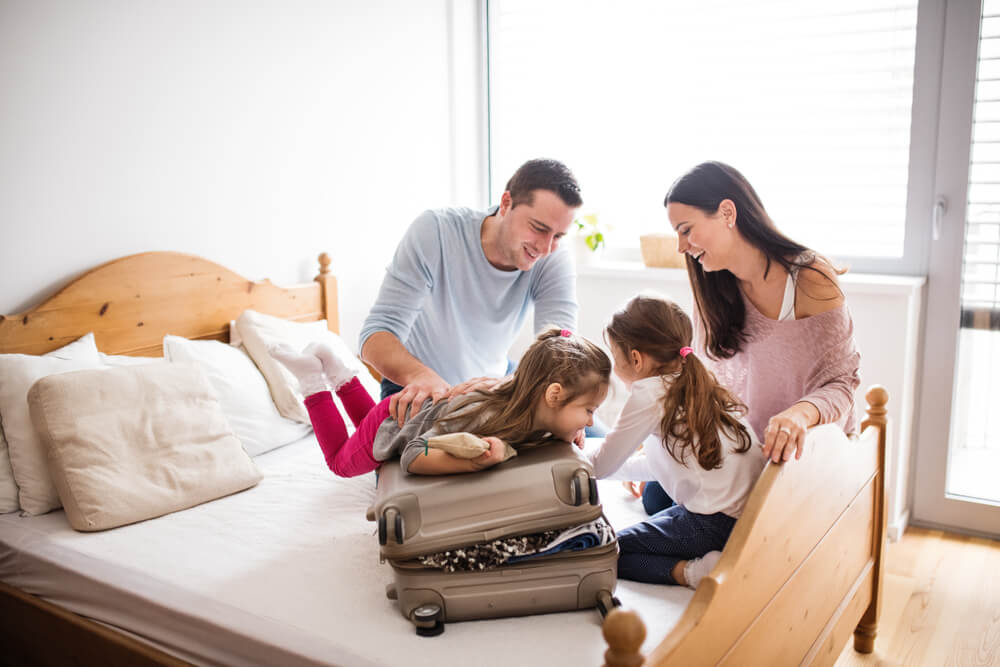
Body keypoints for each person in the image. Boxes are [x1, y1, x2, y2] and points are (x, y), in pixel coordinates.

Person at [638, 160, 861, 514]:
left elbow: (842, 383)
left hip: (797, 451)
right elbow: (699, 378)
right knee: (654, 494)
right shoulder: (712, 285)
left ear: (727, 212)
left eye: (686, 229)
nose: (681, 246)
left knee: (669, 507)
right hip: (740, 451)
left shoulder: (809, 277)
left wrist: (799, 415)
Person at [359, 158, 582, 427]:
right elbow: (375, 335)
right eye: (538, 228)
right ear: (506, 202)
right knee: (421, 463)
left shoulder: (553, 258)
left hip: (499, 383)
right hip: (419, 386)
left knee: (590, 442)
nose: (545, 248)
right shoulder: (436, 232)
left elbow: (560, 349)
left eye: (558, 236)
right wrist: (420, 375)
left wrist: (512, 385)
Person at [587, 295, 765, 589]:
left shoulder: (649, 393)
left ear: (635, 359)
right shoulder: (697, 378)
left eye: (614, 357)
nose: (614, 368)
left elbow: (601, 465)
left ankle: (697, 572)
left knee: (610, 552)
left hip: (716, 524)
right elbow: (664, 465)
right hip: (749, 514)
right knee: (654, 497)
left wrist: (565, 457)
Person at [271, 329, 610, 477]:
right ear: (552, 395)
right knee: (341, 463)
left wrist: (570, 431)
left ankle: (337, 368)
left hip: (394, 416)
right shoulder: (487, 417)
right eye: (589, 411)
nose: (591, 422)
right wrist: (474, 462)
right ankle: (312, 381)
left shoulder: (532, 413)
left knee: (367, 426)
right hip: (395, 425)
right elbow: (413, 454)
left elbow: (551, 430)